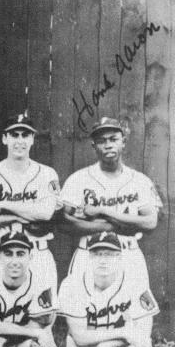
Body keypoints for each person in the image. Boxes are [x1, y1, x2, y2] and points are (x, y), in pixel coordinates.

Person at [60, 117, 162, 286]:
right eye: (101, 141)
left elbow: (150, 222)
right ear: (94, 145)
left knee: (131, 311)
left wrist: (103, 212)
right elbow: (63, 222)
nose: (108, 145)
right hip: (89, 252)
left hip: (127, 252)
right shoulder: (78, 179)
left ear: (123, 142)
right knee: (87, 309)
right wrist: (119, 226)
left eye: (113, 139)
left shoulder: (140, 180)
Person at [0, 114, 60, 289]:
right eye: (14, 135)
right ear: (5, 139)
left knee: (43, 313)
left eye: (25, 135)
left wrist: (4, 206)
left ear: (32, 139)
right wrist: (20, 216)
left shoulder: (47, 173)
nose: (20, 141)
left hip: (36, 251)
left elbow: (46, 213)